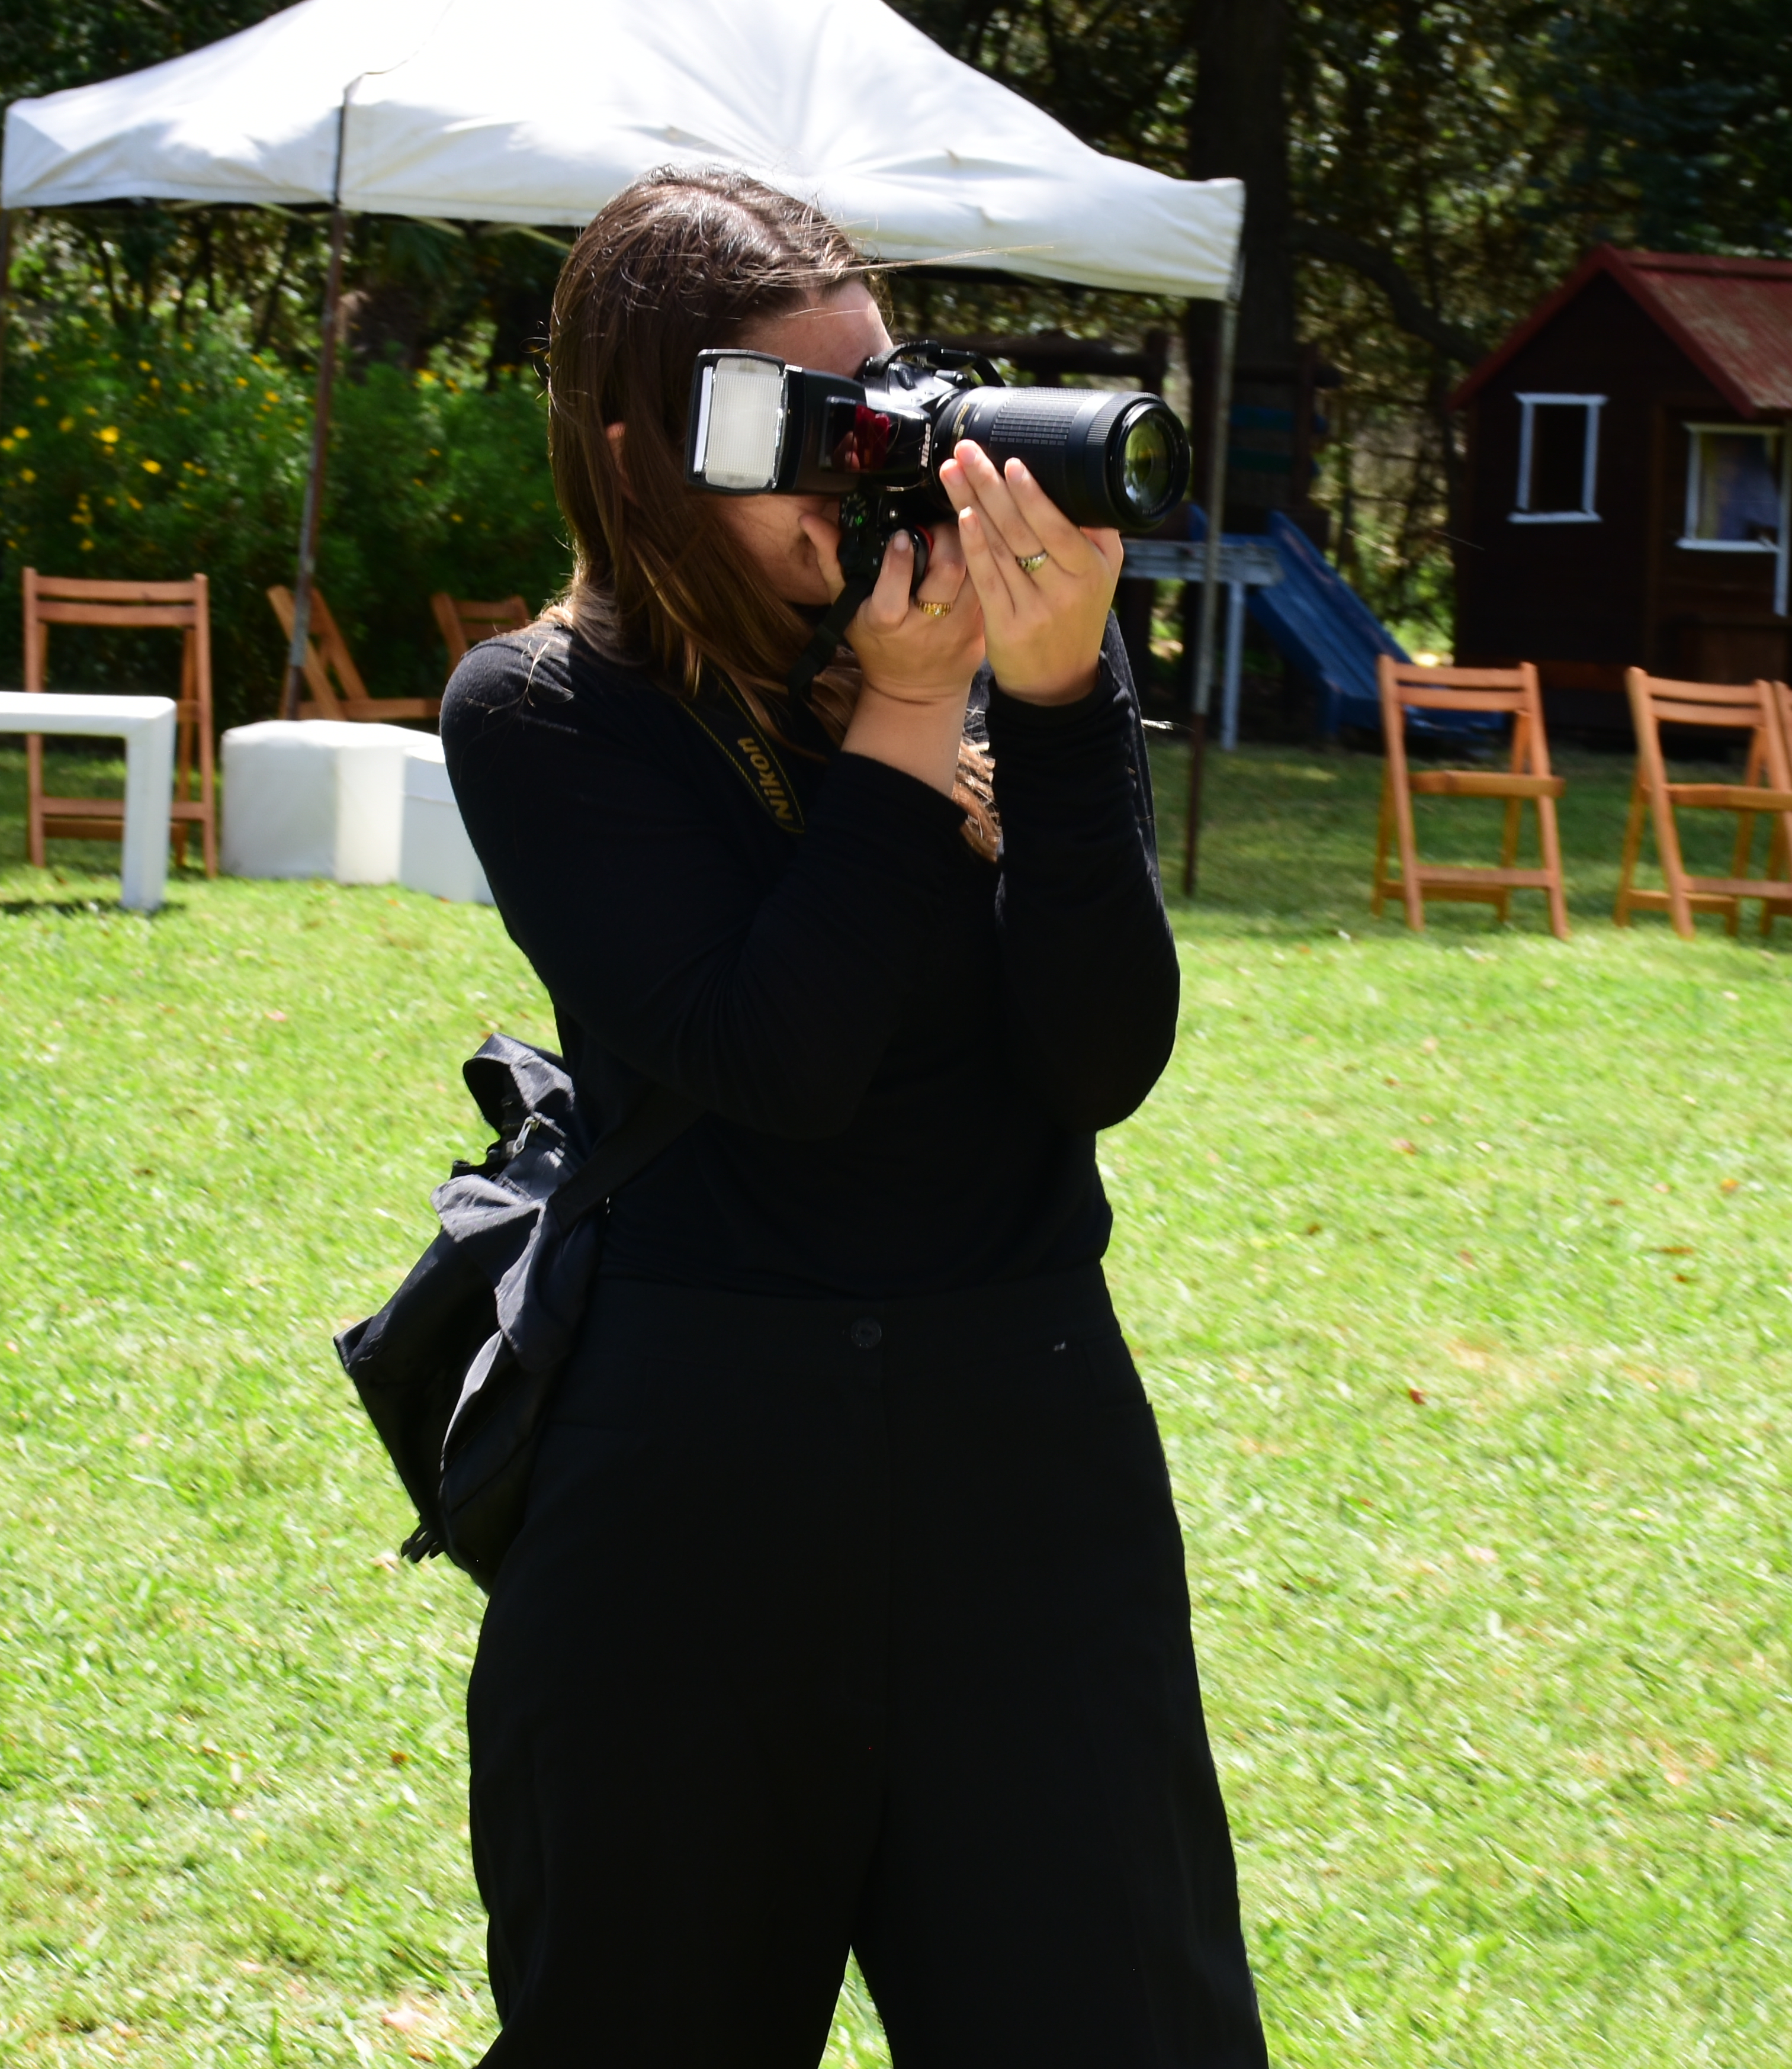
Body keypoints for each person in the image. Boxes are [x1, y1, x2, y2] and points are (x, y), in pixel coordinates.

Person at [439, 170, 1266, 2067]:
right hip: (694, 1491)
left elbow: (1098, 1059)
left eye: (875, 398)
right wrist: (910, 723)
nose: (852, 461)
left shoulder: (998, 663)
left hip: (1022, 1458)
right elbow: (775, 1053)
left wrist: (1053, 706)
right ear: (638, 447)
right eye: (786, 419)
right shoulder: (546, 712)